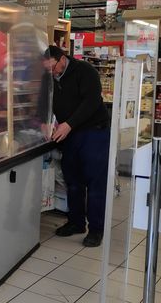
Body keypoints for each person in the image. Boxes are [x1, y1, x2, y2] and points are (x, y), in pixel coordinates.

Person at [41, 45, 110, 248]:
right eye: (48, 70)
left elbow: (90, 102)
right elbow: (43, 100)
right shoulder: (50, 77)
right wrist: (44, 121)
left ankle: (96, 230)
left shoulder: (85, 71)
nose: (52, 73)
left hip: (93, 131)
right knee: (73, 180)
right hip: (68, 135)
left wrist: (69, 124)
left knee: (95, 183)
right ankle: (76, 222)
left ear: (62, 58)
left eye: (53, 68)